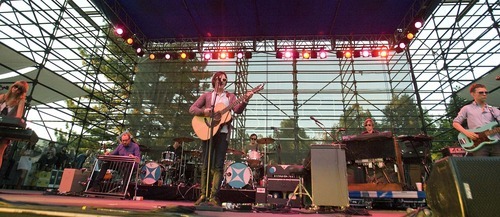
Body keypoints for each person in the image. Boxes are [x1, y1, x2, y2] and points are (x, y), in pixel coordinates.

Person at [189, 71, 254, 206]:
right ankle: (203, 194)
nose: (223, 81)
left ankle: (213, 196)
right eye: (221, 79)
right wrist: (204, 111)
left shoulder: (230, 97)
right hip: (207, 132)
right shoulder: (207, 96)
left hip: (223, 134)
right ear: (215, 81)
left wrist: (246, 99)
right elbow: (192, 109)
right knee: (206, 164)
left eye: (225, 80)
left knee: (218, 166)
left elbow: (237, 110)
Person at [453, 83, 500, 156]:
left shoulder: (493, 109)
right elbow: (455, 123)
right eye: (481, 92)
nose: (484, 94)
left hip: (496, 142)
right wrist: (466, 133)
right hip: (477, 143)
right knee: (482, 166)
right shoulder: (467, 108)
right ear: (473, 94)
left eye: (486, 92)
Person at [0, 80, 29, 170]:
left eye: (19, 89)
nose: (16, 89)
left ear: (21, 92)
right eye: (15, 86)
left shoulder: (20, 101)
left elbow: (18, 116)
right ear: (12, 86)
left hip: (6, 129)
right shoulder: (2, 97)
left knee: (0, 152)